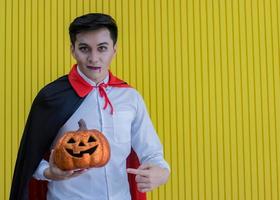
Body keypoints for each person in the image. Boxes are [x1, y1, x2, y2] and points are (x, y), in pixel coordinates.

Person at [10, 13, 170, 200]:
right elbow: (29, 160)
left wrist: (161, 172)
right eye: (84, 48)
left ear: (114, 49)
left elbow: (152, 152)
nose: (94, 58)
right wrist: (48, 173)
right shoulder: (52, 97)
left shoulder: (130, 97)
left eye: (102, 48)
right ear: (73, 50)